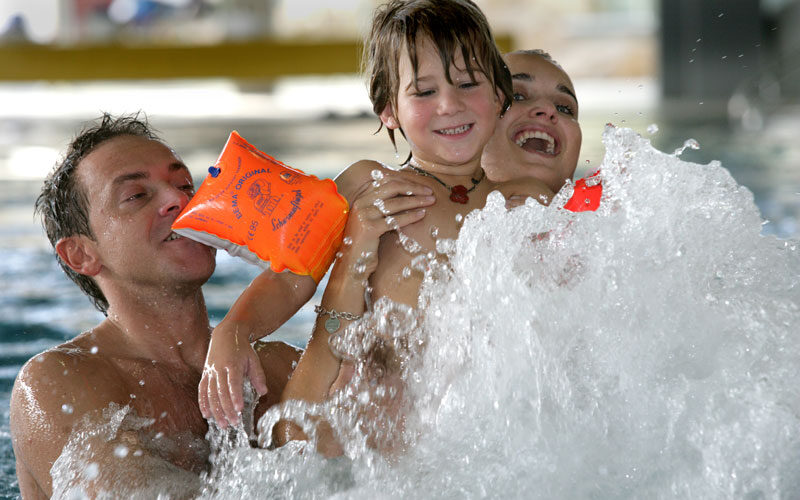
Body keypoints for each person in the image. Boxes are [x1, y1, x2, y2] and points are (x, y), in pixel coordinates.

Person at [9, 114, 435, 497]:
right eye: (137, 196)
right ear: (81, 255)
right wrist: (342, 278)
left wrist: (358, 256)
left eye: (183, 184)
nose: (179, 200)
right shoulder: (58, 383)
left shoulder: (278, 368)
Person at [268, 0, 554, 454]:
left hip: (479, 449)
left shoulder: (524, 204)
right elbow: (286, 278)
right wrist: (234, 332)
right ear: (388, 112)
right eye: (423, 92)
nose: (449, 104)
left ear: (499, 97)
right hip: (379, 448)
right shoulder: (369, 188)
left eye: (467, 83)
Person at [481, 49, 583, 194]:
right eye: (517, 96)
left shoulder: (615, 209)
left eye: (564, 108)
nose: (548, 108)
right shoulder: (436, 208)